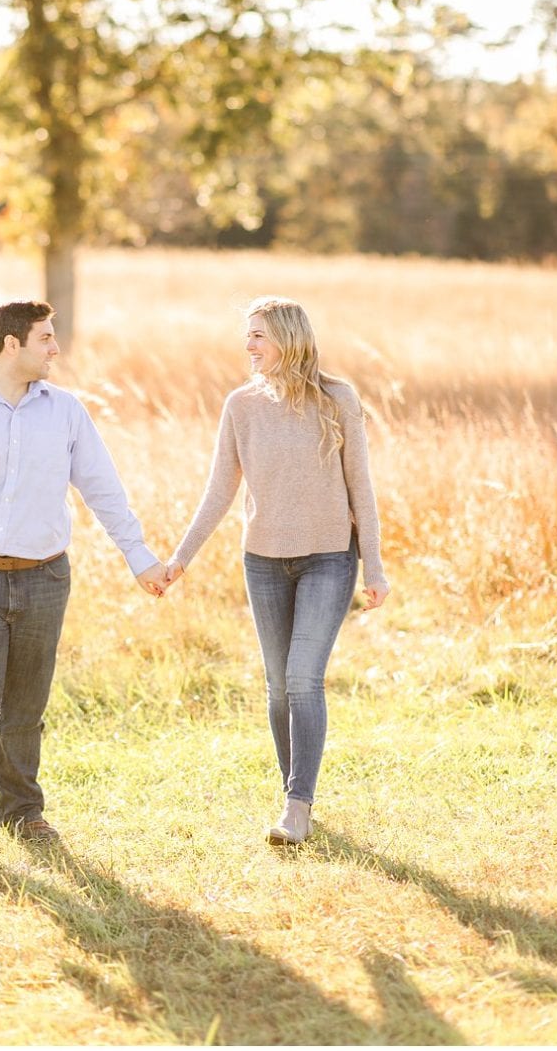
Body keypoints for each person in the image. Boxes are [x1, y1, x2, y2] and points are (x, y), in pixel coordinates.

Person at [0, 300, 167, 867]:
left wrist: (139, 558)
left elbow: (103, 489)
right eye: (45, 338)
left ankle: (23, 811)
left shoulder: (66, 412)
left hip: (44, 576)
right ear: (10, 345)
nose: (55, 348)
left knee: (26, 705)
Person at [162, 296, 390, 846]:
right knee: (277, 688)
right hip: (262, 561)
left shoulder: (338, 399)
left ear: (288, 338)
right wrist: (180, 558)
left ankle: (297, 806)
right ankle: (296, 791)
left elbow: (361, 484)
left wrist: (374, 566)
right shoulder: (240, 405)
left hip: (329, 558)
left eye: (259, 335)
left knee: (302, 679)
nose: (249, 346)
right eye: (248, 336)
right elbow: (220, 489)